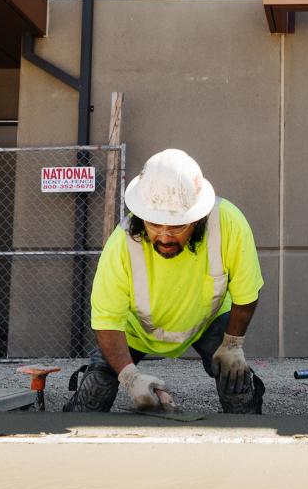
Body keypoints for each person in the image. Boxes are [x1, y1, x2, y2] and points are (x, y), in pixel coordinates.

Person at [64, 148, 265, 415]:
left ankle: (250, 445)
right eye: (155, 225)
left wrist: (232, 344)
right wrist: (131, 378)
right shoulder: (120, 246)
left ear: (198, 219)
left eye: (178, 226)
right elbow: (107, 321)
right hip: (137, 328)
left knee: (236, 381)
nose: (165, 237)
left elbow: (246, 295)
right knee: (96, 387)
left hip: (207, 319)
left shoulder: (229, 224)